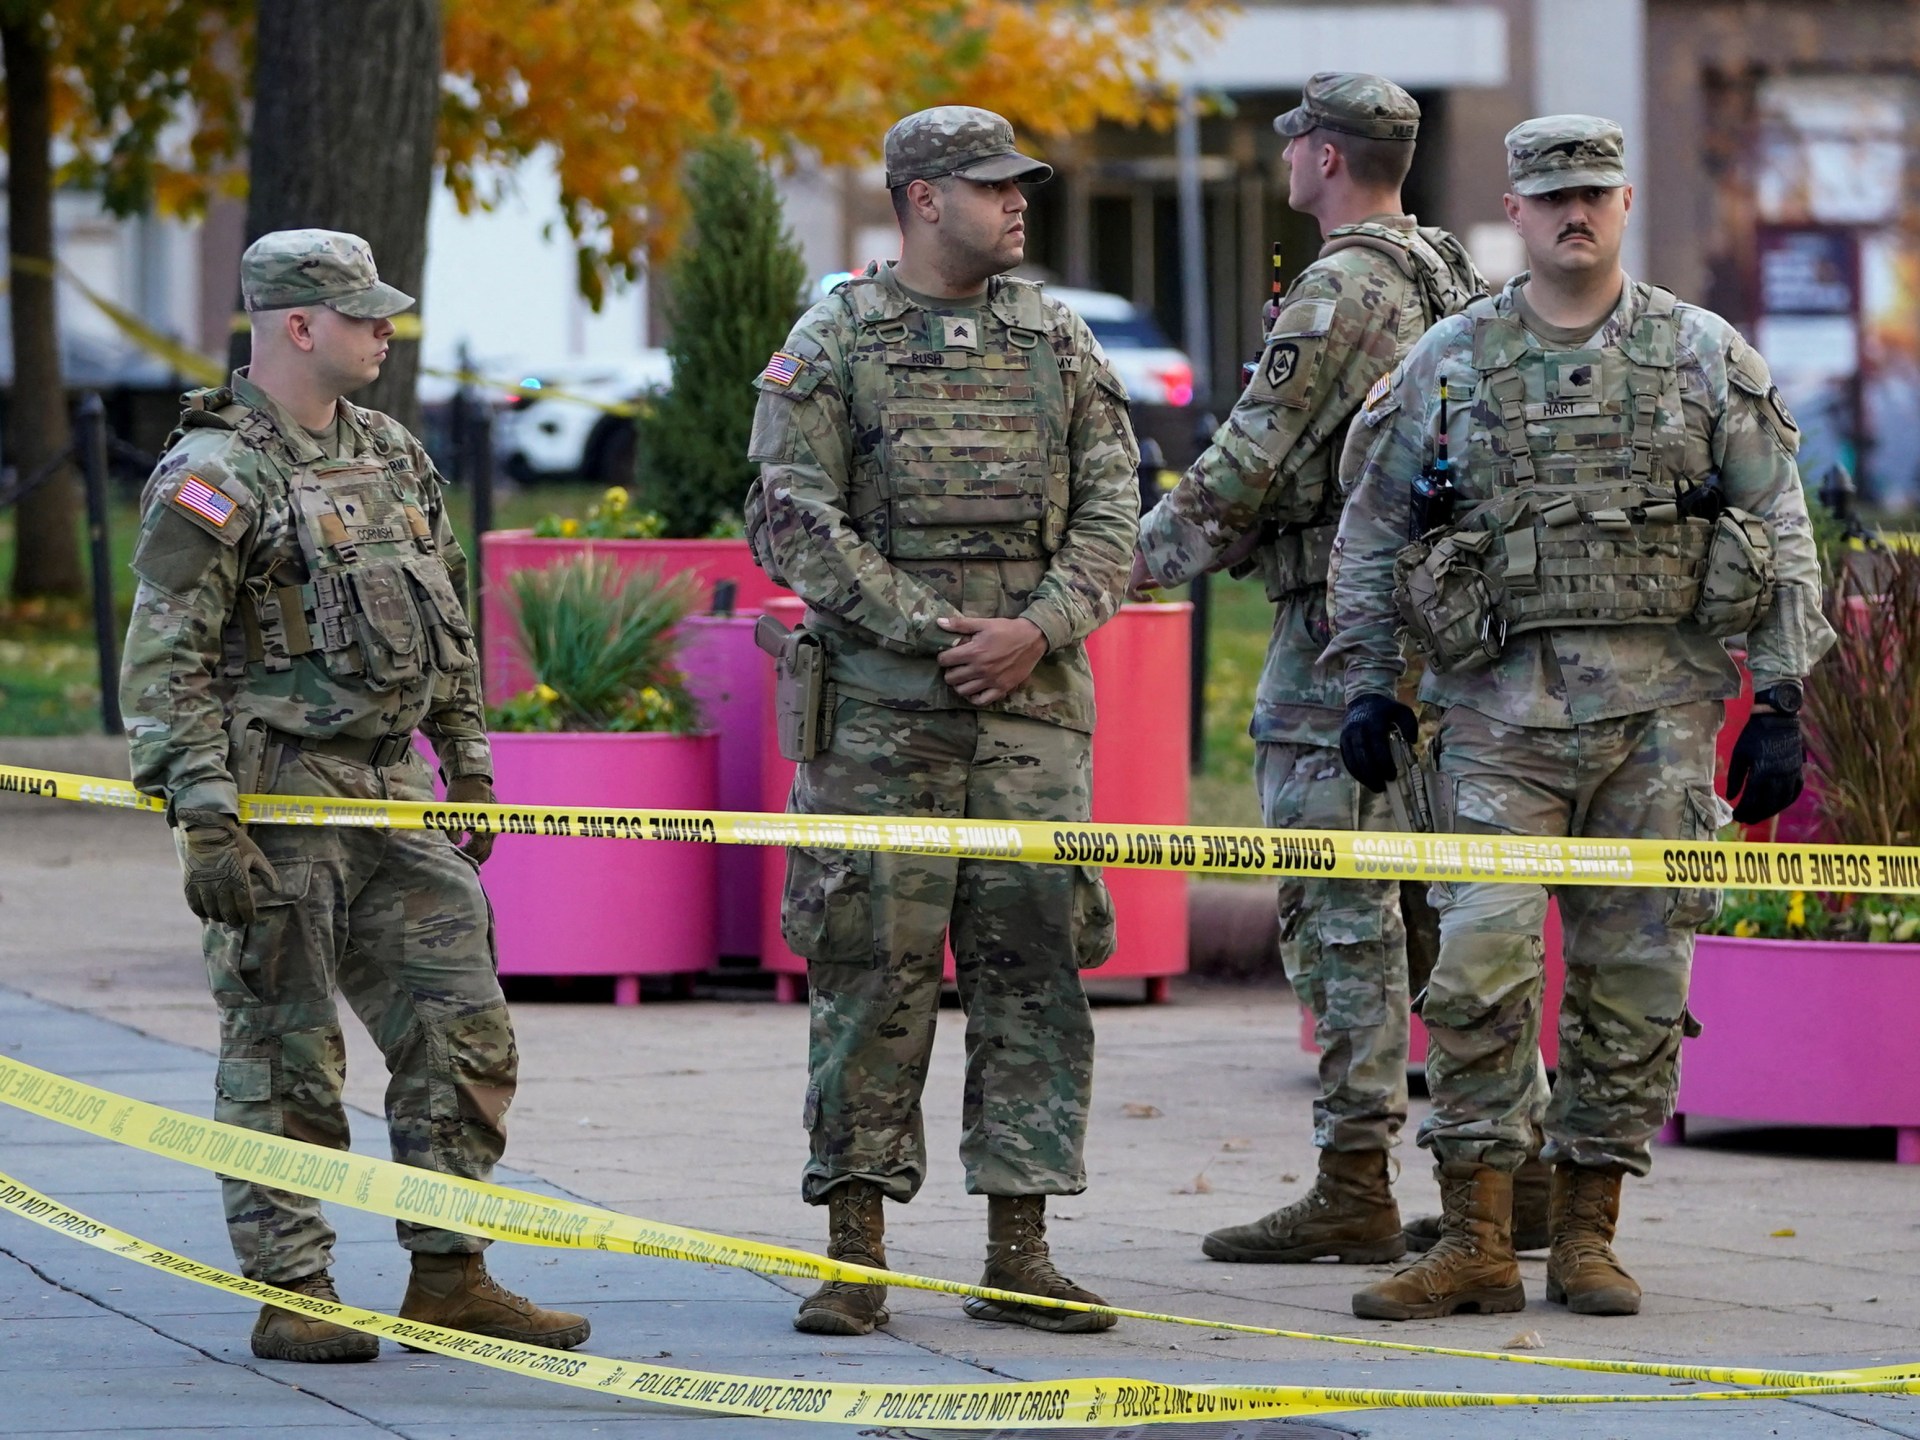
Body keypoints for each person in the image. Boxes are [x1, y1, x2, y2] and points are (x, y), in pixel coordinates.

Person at [1327, 117, 1835, 1319]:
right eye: (1551, 196)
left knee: (1636, 984)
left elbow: (1781, 524)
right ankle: (1476, 1240)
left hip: (1659, 725)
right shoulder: (1451, 359)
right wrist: (1369, 681)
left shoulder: (1701, 353)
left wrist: (1780, 697)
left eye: (1594, 193)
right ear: (1514, 209)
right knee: (1478, 972)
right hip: (1496, 720)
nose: (1574, 213)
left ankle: (1588, 1233)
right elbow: (1373, 529)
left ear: (1623, 204)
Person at [120, 230, 588, 1362]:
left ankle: (450, 1278)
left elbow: (445, 613)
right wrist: (203, 813)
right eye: (363, 313)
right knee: (285, 1052)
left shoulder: (388, 450)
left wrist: (466, 759)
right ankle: (296, 1291)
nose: (385, 329)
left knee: (460, 1029)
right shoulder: (216, 473)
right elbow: (166, 659)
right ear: (297, 325)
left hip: (391, 795)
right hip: (278, 795)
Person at [1128, 73, 1546, 1269]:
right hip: (1450, 640)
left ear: (1323, 157)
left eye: (1293, 143)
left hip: (1339, 639)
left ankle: (1354, 1179)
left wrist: (1119, 569)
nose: (1285, 160)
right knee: (1448, 910)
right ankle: (1511, 1173)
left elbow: (1244, 469)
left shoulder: (1342, 286)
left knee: (1341, 904)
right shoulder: (1446, 271)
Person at [744, 106, 1140, 1337]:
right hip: (879, 719)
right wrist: (932, 629)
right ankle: (855, 1252)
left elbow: (1116, 509)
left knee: (1034, 974)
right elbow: (791, 517)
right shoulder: (836, 338)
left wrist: (1036, 628)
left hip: (1032, 715)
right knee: (871, 970)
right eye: (991, 186)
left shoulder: (1056, 338)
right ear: (922, 198)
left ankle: (1019, 1253)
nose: (1018, 203)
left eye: (1021, 185)